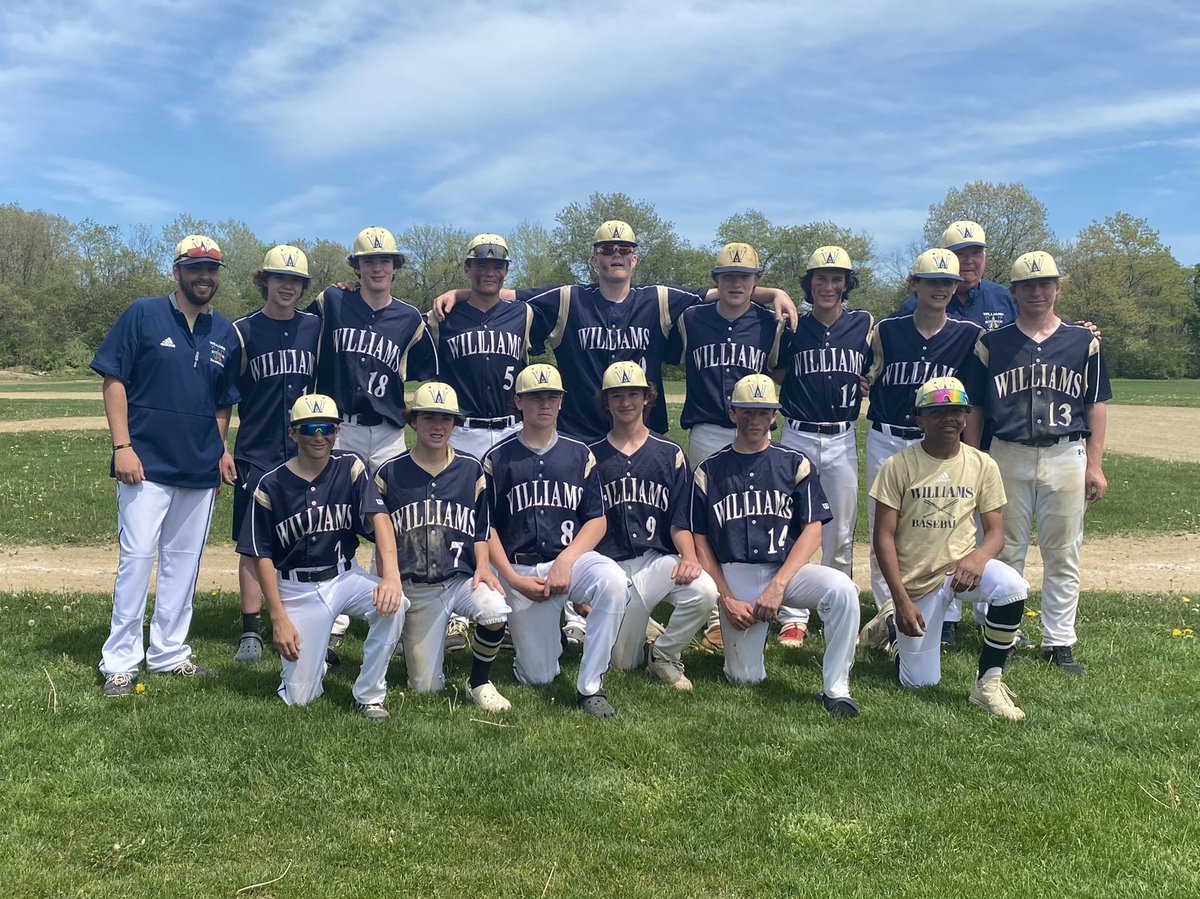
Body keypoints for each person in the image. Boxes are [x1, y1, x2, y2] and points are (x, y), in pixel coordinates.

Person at [434, 220, 798, 444]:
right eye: (608, 250)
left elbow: (724, 290)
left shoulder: (658, 299)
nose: (617, 255)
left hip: (644, 433)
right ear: (595, 260)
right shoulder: (567, 299)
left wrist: (774, 293)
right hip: (581, 434)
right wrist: (459, 293)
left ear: (634, 259)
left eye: (625, 249)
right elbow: (501, 292)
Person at [90, 234, 241, 696]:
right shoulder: (143, 314)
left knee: (182, 564)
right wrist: (122, 447)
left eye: (212, 269)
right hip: (145, 463)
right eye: (195, 267)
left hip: (198, 468)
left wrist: (219, 451)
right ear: (176, 272)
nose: (204, 276)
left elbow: (222, 404)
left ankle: (169, 653)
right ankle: (119, 660)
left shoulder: (224, 333)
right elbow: (114, 380)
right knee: (136, 561)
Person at [689, 374, 861, 718]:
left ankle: (836, 689)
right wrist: (725, 598)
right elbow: (700, 540)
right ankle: (747, 646)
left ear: (774, 416)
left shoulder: (794, 463)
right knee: (745, 678)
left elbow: (813, 530)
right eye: (747, 411)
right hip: (735, 574)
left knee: (843, 590)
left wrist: (779, 586)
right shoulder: (710, 469)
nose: (755, 420)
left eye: (763, 412)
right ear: (733, 413)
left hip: (784, 571)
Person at [975, 252, 1110, 676]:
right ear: (1013, 293)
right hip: (1006, 452)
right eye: (1028, 286)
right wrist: (978, 458)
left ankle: (1059, 640)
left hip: (1065, 452)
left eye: (1045, 284)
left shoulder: (1082, 341)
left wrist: (1095, 464)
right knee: (1005, 549)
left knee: (1063, 551)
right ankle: (1006, 634)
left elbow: (1096, 404)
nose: (1037, 292)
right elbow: (977, 407)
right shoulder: (991, 343)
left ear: (1057, 288)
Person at [236, 394, 406, 719]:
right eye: (309, 428)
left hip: (345, 576)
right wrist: (278, 619)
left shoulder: (351, 466)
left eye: (327, 427)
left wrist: (391, 579)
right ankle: (317, 664)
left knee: (396, 605)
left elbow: (380, 520)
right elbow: (261, 557)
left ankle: (370, 695)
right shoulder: (269, 486)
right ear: (293, 433)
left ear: (337, 432)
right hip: (297, 590)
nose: (319, 436)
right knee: (301, 698)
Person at [869, 377, 1030, 720]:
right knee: (920, 683)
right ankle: (894, 628)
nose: (949, 419)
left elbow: (997, 533)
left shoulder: (982, 464)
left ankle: (987, 683)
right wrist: (900, 601)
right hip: (917, 583)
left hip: (961, 572)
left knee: (1013, 588)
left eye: (956, 411)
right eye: (937, 412)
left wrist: (979, 556)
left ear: (967, 416)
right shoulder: (898, 466)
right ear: (919, 419)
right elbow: (882, 538)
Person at [483, 363, 629, 718]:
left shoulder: (580, 454)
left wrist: (567, 559)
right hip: (520, 567)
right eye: (535, 397)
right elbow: (486, 529)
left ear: (562, 401)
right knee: (538, 676)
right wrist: (514, 580)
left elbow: (596, 520)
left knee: (613, 581)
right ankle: (546, 638)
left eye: (551, 396)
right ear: (518, 402)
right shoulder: (497, 458)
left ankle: (590, 685)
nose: (544, 404)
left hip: (570, 560)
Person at [859, 248, 986, 654]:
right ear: (914, 284)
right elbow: (861, 374)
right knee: (888, 532)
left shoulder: (969, 334)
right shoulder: (885, 331)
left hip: (940, 443)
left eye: (948, 282)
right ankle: (888, 616)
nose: (941, 289)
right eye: (932, 281)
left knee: (944, 528)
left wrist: (1081, 330)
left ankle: (943, 617)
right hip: (889, 436)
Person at [375, 381, 513, 711]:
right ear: (413, 421)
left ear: (455, 423)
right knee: (424, 688)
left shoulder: (470, 469)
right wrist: (391, 579)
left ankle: (478, 681)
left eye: (446, 419)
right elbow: (382, 538)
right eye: (429, 417)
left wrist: (482, 566)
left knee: (495, 609)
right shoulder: (390, 472)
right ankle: (409, 637)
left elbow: (481, 527)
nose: (438, 426)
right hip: (417, 588)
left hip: (460, 579)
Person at [590, 362, 718, 691]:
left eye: (633, 393)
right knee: (622, 665)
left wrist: (689, 556)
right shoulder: (591, 456)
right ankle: (640, 624)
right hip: (612, 568)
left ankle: (664, 654)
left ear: (648, 398)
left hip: (655, 560)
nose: (626, 402)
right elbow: (585, 524)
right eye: (616, 395)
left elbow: (680, 517)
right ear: (605, 402)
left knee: (705, 590)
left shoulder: (669, 453)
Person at [773, 246, 872, 649]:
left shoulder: (865, 324)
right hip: (796, 433)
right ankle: (792, 617)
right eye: (820, 278)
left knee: (841, 531)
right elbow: (774, 371)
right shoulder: (794, 326)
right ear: (808, 284)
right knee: (792, 525)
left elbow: (875, 367)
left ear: (847, 284)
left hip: (842, 435)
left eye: (836, 279)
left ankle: (837, 608)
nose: (828, 286)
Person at [228, 245, 321, 664]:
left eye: (296, 280)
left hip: (306, 449)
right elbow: (225, 397)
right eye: (280, 278)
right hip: (257, 448)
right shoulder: (242, 330)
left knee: (305, 532)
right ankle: (251, 629)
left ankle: (303, 613)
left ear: (304, 286)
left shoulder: (315, 328)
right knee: (252, 543)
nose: (288, 286)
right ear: (264, 280)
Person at [307, 226, 437, 470]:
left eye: (385, 261)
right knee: (340, 504)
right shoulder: (333, 301)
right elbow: (298, 332)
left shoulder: (410, 319)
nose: (377, 268)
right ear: (357, 267)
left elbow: (432, 376)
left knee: (389, 504)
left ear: (395, 267)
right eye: (368, 261)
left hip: (387, 434)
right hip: (339, 429)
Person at [673, 242, 784, 469]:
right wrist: (775, 292)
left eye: (744, 276)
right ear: (716, 279)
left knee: (756, 501)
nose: (736, 283)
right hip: (706, 431)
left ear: (756, 280)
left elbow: (780, 371)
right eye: (728, 276)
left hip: (757, 428)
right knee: (703, 501)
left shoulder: (771, 323)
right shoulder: (690, 319)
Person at [425, 233, 532, 460]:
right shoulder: (441, 317)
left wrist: (457, 292)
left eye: (498, 266)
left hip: (512, 431)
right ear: (467, 270)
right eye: (482, 265)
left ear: (506, 271)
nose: (490, 273)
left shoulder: (524, 313)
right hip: (461, 432)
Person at [893, 221, 1017, 330]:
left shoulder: (1005, 298)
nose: (968, 260)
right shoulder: (916, 306)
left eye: (975, 253)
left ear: (985, 257)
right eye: (960, 254)